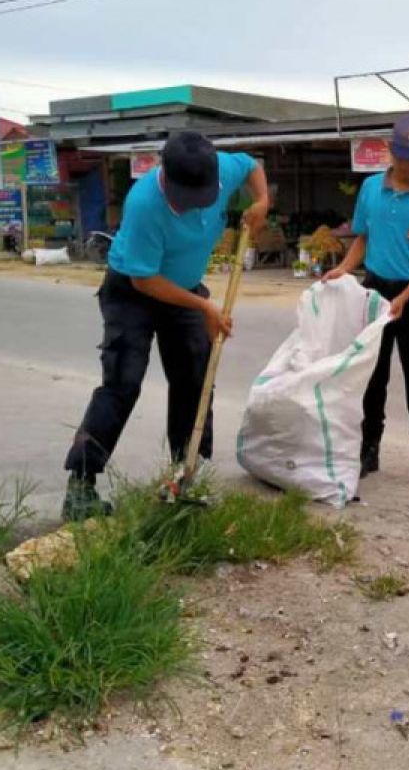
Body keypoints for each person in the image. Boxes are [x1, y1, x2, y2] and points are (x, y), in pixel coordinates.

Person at [61, 131, 270, 520]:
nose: (192, 207)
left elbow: (252, 165)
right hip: (133, 292)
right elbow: (145, 280)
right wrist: (205, 307)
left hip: (186, 288)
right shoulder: (144, 204)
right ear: (165, 175)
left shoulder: (220, 168)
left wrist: (262, 200)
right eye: (184, 201)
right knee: (123, 383)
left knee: (195, 375)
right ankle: (81, 484)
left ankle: (185, 473)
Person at [324, 115, 409, 490]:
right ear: (392, 151)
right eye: (404, 157)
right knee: (372, 376)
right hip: (374, 292)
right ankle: (368, 448)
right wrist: (344, 269)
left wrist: (404, 298)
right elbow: (361, 238)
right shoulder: (369, 189)